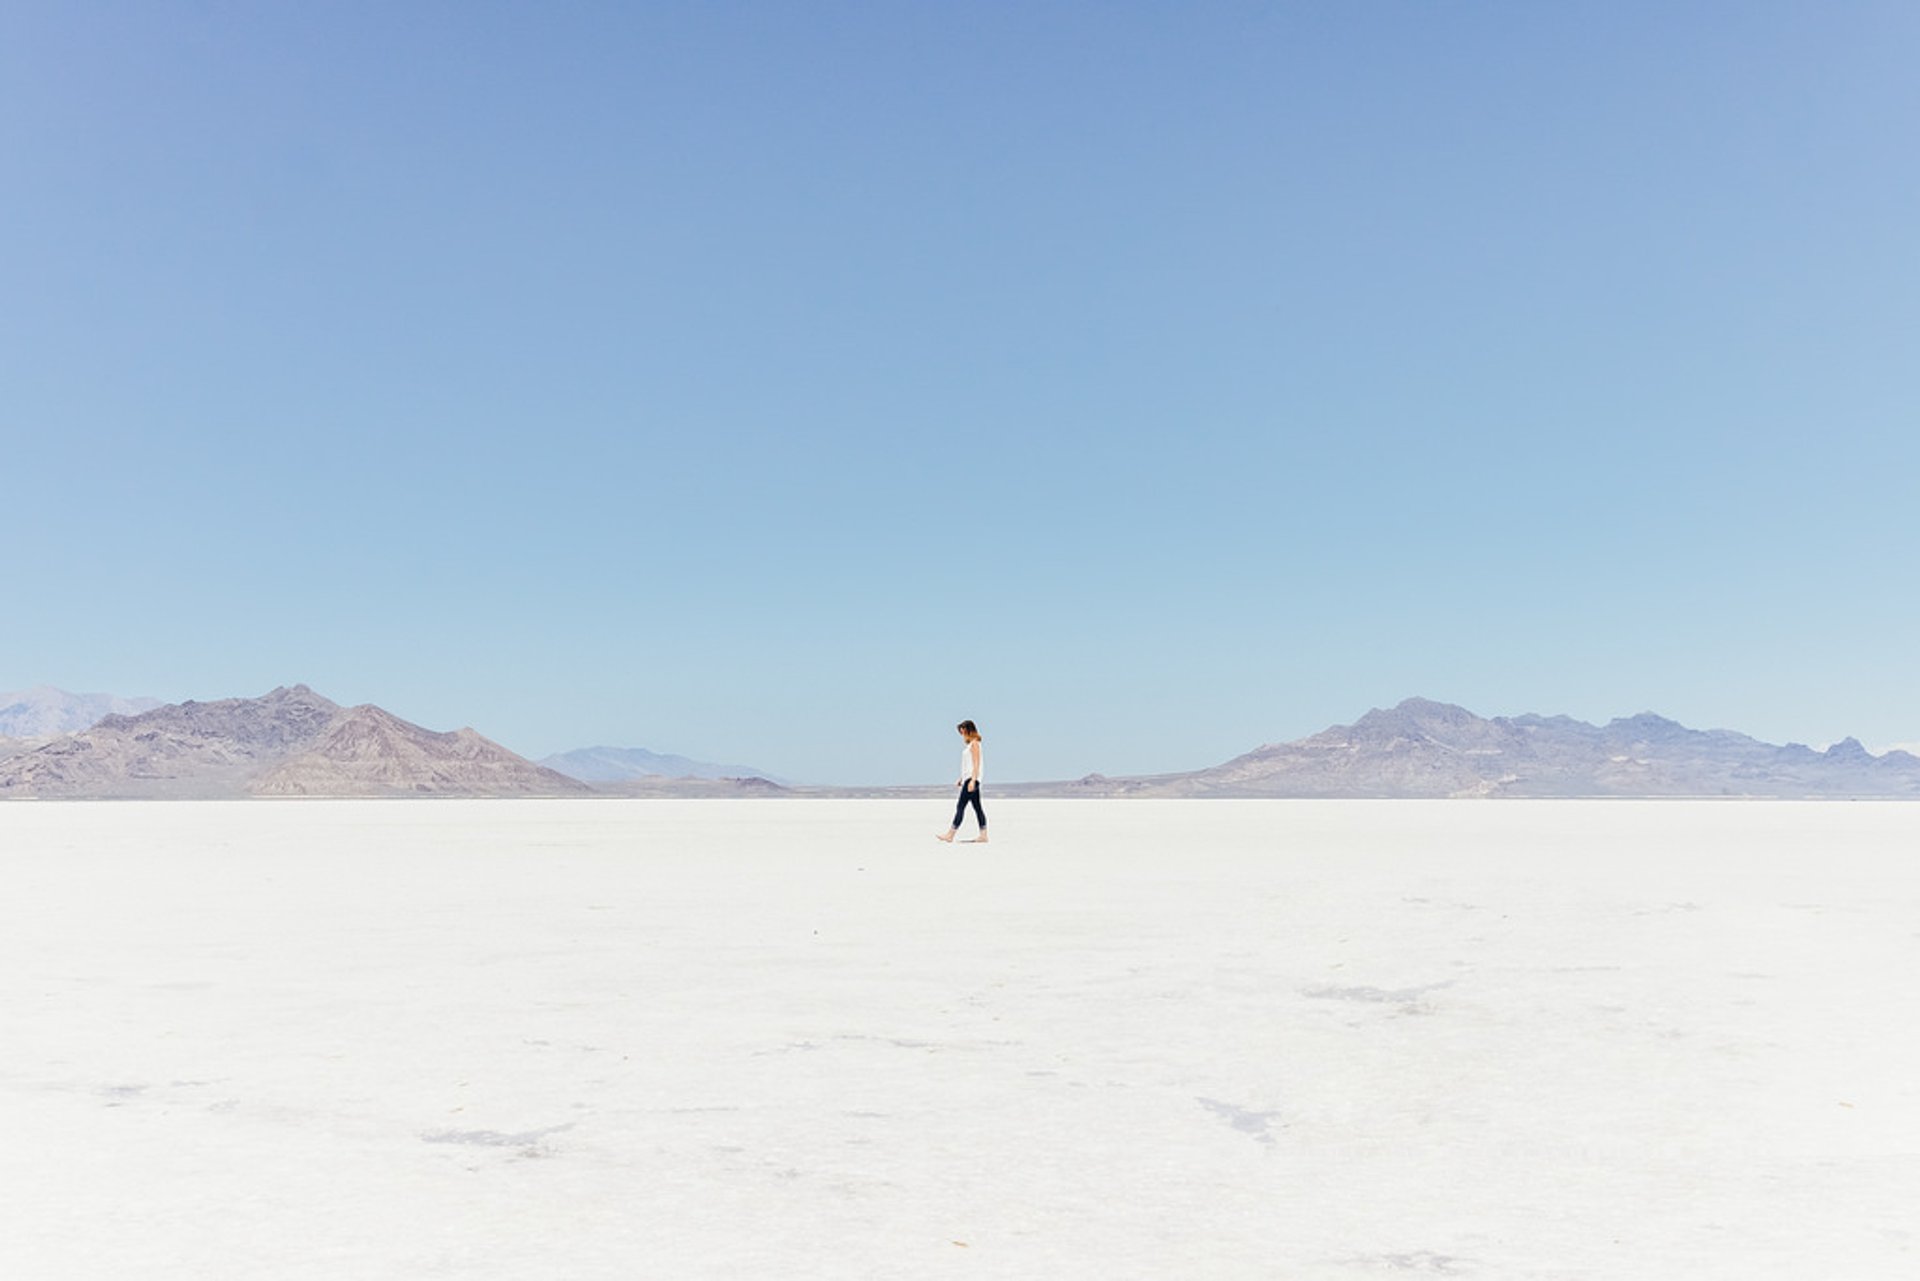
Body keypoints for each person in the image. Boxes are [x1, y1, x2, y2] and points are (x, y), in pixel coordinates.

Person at [937, 720, 987, 843]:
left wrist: (972, 780)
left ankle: (950, 834)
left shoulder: (975, 744)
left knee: (960, 806)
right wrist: (961, 778)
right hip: (968, 779)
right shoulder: (970, 745)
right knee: (977, 807)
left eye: (963, 731)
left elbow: (976, 763)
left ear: (969, 730)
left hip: (972, 780)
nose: (962, 734)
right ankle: (983, 835)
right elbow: (968, 765)